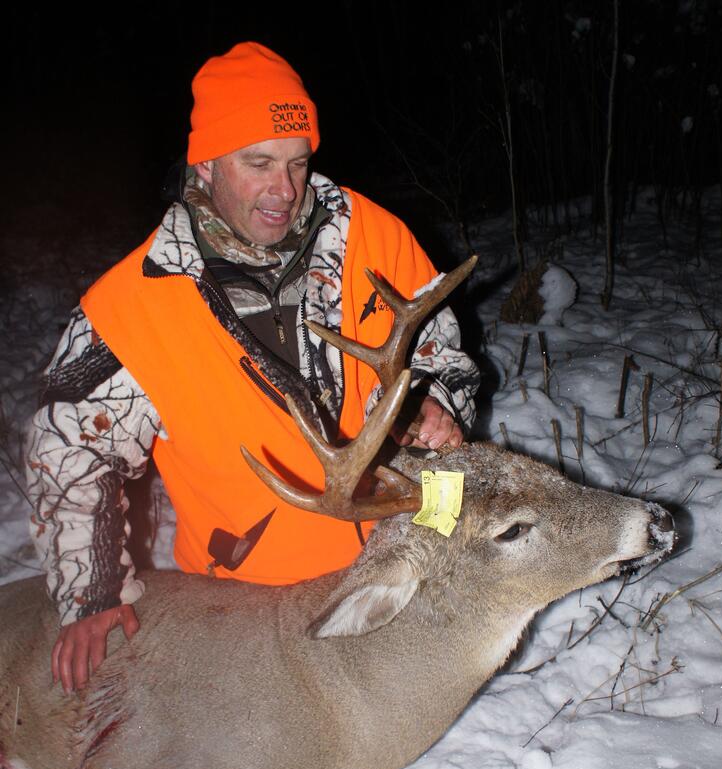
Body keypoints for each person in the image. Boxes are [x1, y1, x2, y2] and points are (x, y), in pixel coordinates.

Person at [25, 42, 480, 694]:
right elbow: (67, 445)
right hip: (251, 602)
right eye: (258, 162)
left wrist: (437, 405)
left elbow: (438, 346)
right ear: (205, 163)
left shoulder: (374, 237)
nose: (284, 190)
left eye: (298, 163)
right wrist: (91, 593)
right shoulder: (135, 304)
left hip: (403, 554)